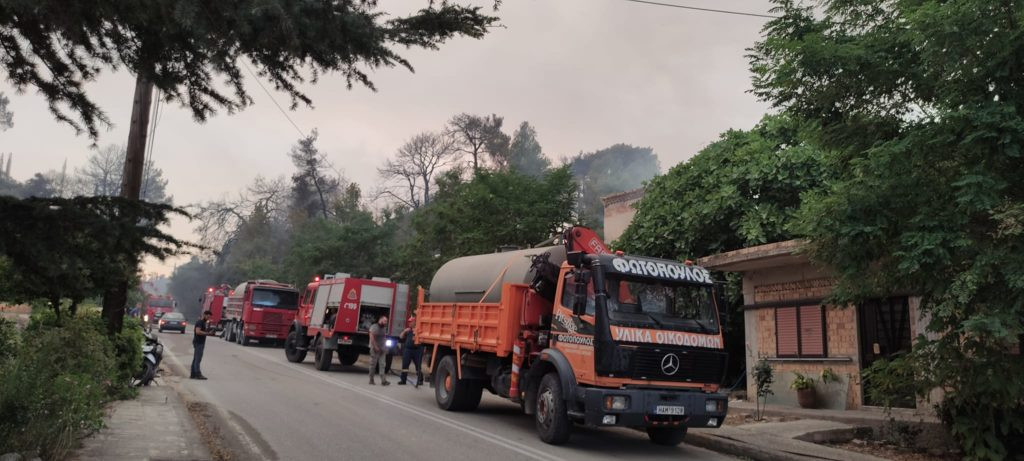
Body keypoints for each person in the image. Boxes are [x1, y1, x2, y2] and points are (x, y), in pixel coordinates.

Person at [398, 316, 423, 387]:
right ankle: (403, 380)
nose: (409, 323)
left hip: (417, 350)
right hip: (408, 350)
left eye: (411, 322)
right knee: (405, 365)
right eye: (409, 322)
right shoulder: (408, 330)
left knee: (418, 366)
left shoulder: (419, 330)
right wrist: (404, 331)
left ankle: (420, 380)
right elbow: (401, 337)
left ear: (415, 322)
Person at [368, 315, 390, 386]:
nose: (386, 322)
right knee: (373, 365)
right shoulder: (374, 327)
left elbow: (384, 338)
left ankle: (383, 381)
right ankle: (371, 379)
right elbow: (371, 337)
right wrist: (375, 347)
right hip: (374, 348)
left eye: (386, 321)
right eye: (384, 321)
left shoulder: (384, 328)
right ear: (380, 320)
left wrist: (385, 348)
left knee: (382, 364)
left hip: (382, 349)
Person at [191, 310, 212, 380]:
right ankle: (197, 374)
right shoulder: (200, 322)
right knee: (198, 359)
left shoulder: (203, 322)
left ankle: (193, 374)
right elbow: (198, 332)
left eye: (209, 317)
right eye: (208, 316)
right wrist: (207, 333)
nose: (208, 318)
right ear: (204, 315)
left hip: (200, 342)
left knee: (195, 359)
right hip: (198, 342)